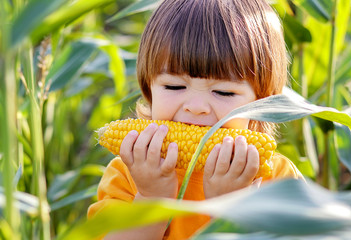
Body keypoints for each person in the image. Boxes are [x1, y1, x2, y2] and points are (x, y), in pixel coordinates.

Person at [88, 0, 304, 239]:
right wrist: (151, 199)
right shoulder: (128, 174)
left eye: (224, 92)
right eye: (174, 86)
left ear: (263, 103)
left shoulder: (277, 179)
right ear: (148, 89)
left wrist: (229, 210)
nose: (196, 107)